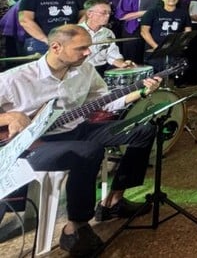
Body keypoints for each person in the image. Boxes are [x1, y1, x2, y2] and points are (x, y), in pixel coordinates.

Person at [0, 25, 162, 255]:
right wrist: (9, 117)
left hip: (77, 129)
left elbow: (105, 100)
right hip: (36, 143)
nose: (88, 52)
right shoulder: (14, 79)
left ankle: (113, 202)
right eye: (82, 48)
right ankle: (75, 227)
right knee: (89, 151)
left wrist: (141, 93)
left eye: (89, 47)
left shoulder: (85, 70)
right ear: (56, 47)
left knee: (143, 131)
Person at [80, 0, 134, 74]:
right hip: (81, 70)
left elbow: (112, 54)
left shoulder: (108, 33)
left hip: (101, 69)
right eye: (103, 13)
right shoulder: (75, 32)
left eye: (109, 13)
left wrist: (123, 64)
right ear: (89, 14)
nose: (108, 16)